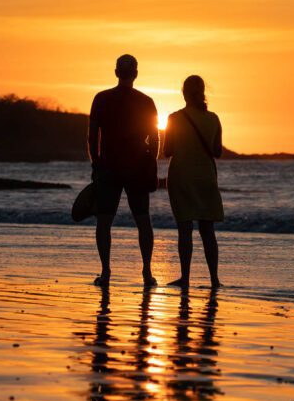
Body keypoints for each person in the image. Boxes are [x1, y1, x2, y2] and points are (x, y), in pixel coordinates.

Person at [87, 54, 160, 287]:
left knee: (104, 221)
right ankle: (147, 273)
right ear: (136, 73)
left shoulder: (101, 98)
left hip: (109, 167)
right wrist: (151, 162)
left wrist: (95, 163)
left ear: (116, 72)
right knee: (143, 220)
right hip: (137, 168)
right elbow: (155, 138)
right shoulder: (146, 101)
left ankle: (106, 272)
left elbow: (92, 136)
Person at [162, 75, 223, 289]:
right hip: (206, 177)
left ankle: (185, 277)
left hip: (182, 177)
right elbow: (217, 152)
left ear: (183, 93)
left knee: (185, 229)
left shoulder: (174, 118)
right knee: (208, 231)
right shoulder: (214, 118)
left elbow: (167, 151)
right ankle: (214, 279)